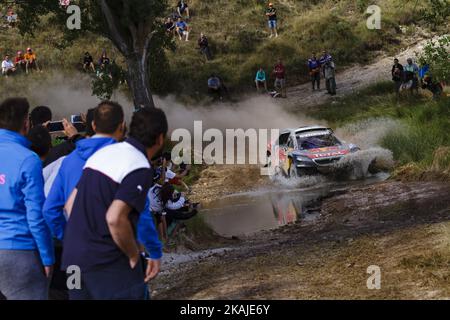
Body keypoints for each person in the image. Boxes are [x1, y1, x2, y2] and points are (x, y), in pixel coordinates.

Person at [61, 107, 168, 300]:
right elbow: (115, 218)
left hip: (73, 263)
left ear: (128, 127)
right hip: (107, 264)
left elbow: (69, 206)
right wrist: (134, 254)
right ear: (160, 139)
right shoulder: (139, 165)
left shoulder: (102, 155)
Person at [44, 102, 125, 241]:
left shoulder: (67, 161)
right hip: (111, 247)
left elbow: (49, 209)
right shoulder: (126, 161)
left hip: (77, 245)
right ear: (122, 127)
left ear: (93, 125)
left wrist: (67, 237)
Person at [0, 97, 55, 300]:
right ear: (26, 124)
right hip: (19, 251)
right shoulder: (28, 159)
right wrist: (48, 257)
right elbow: (36, 216)